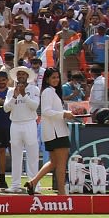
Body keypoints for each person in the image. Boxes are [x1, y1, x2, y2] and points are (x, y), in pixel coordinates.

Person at [25, 67, 71, 195]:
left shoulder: (52, 91)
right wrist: (64, 114)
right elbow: (46, 111)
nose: (56, 80)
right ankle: (61, 192)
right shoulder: (48, 92)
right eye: (53, 77)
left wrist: (64, 115)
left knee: (54, 162)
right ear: (47, 79)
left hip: (54, 131)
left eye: (57, 77)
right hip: (56, 132)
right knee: (61, 163)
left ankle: (33, 182)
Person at [6, 65, 40, 193]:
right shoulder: (11, 91)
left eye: (23, 74)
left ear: (27, 76)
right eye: (19, 75)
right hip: (15, 124)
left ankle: (34, 184)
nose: (21, 76)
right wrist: (15, 96)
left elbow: (34, 106)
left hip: (30, 123)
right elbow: (6, 108)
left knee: (32, 155)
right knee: (16, 155)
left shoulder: (34, 89)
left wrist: (24, 95)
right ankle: (15, 185)